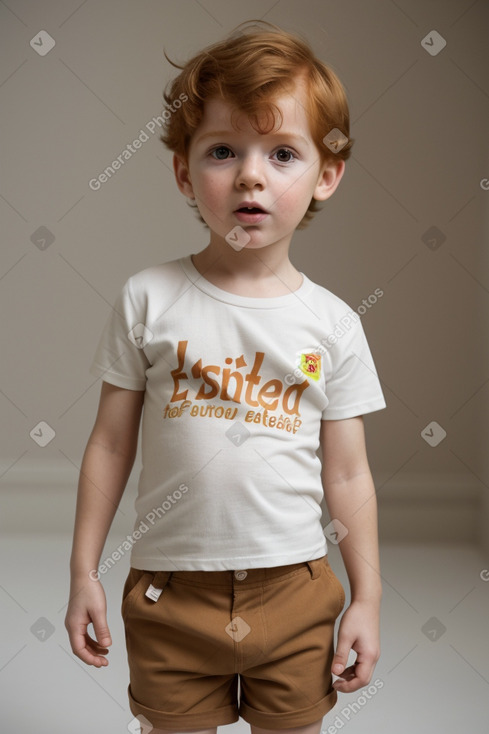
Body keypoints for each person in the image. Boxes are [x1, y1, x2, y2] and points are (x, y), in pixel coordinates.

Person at [65, 20, 386, 734]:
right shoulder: (148, 298)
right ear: (183, 171)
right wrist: (83, 570)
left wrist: (366, 595)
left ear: (325, 174)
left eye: (281, 153)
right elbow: (110, 447)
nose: (250, 174)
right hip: (170, 594)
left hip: (296, 591)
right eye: (222, 151)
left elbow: (348, 475)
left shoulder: (332, 324)